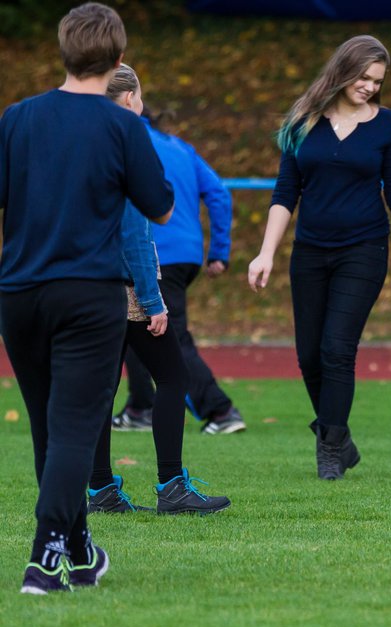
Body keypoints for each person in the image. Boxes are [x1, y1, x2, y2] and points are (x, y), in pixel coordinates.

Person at [0, 3, 173, 594]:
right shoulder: (122, 125)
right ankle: (45, 554)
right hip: (88, 293)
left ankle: (76, 546)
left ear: (63, 51)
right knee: (74, 427)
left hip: (20, 293)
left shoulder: (17, 118)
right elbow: (160, 205)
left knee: (50, 429)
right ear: (119, 59)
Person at [246, 35, 391, 479]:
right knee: (309, 355)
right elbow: (285, 193)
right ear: (343, 71)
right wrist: (265, 253)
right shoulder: (303, 120)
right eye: (364, 78)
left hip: (364, 249)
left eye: (377, 81)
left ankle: (329, 451)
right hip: (309, 251)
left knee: (336, 349)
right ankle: (340, 436)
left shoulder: (387, 125)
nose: (370, 86)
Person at [86, 64, 230, 517]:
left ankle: (100, 489)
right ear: (129, 99)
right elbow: (135, 232)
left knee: (100, 387)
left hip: (84, 283)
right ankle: (171, 485)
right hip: (125, 287)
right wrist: (151, 299)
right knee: (172, 376)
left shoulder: (83, 142)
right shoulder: (128, 143)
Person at [113, 105, 242, 436]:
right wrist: (219, 250)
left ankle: (220, 409)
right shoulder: (180, 147)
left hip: (153, 251)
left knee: (168, 335)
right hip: (187, 252)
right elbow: (219, 194)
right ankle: (141, 406)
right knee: (135, 328)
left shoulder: (120, 139)